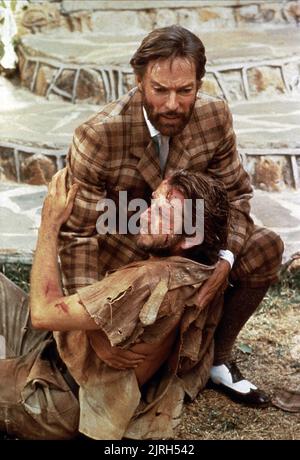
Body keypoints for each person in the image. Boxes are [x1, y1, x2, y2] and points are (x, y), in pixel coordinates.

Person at [58, 25, 284, 407]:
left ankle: (218, 359)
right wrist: (95, 329)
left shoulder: (214, 116)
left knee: (265, 246)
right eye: (159, 90)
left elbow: (236, 196)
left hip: (190, 251)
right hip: (125, 263)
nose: (172, 105)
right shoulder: (97, 135)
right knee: (105, 387)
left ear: (199, 82)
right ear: (139, 80)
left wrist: (225, 262)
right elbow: (76, 237)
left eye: (185, 90)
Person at [0, 169, 229, 439]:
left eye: (163, 215)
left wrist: (49, 224)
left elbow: (43, 312)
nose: (144, 216)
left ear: (190, 238)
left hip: (58, 395)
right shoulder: (205, 268)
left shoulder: (147, 280)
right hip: (62, 349)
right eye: (154, 203)